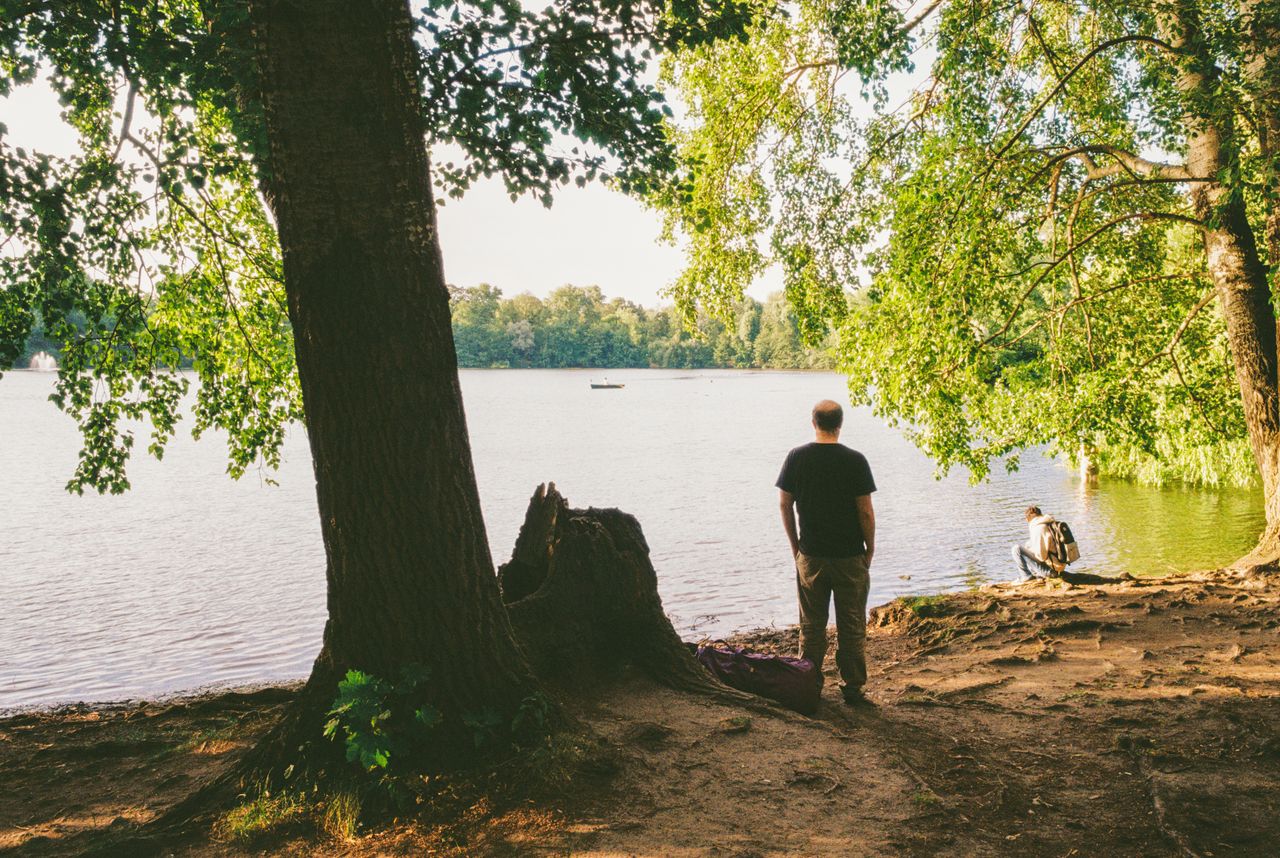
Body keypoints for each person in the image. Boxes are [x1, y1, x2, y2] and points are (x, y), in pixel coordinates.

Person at [776, 400, 877, 706]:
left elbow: (784, 504)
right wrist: (869, 549)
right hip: (849, 556)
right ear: (840, 425)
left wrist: (796, 548)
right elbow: (865, 513)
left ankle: (809, 683)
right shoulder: (855, 460)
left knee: (811, 626)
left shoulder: (797, 457)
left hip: (811, 555)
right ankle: (853, 687)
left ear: (813, 423)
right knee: (851, 624)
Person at [1011, 505, 1065, 582]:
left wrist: (1031, 552)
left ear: (1028, 519)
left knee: (1016, 549)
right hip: (1058, 567)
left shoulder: (1038, 528)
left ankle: (1026, 576)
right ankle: (1034, 574)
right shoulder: (1049, 523)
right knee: (1028, 544)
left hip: (1050, 571)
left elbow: (1041, 557)